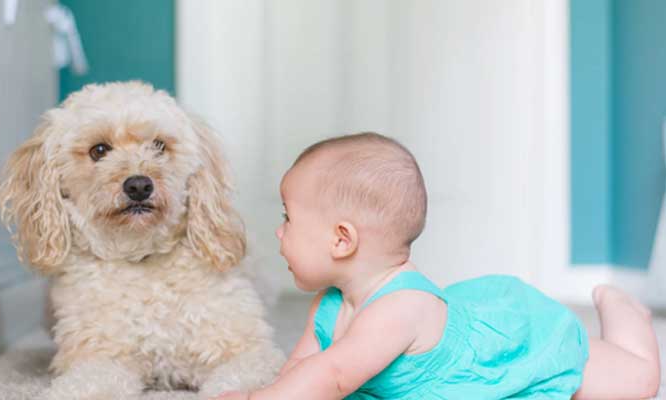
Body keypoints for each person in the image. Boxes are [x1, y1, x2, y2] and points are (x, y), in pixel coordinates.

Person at [212, 132, 661, 399]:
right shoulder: (328, 306)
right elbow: (301, 373)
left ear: (342, 239)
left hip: (509, 347)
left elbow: (331, 377)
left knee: (634, 384)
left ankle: (623, 309)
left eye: (288, 217)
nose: (278, 231)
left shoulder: (401, 307)